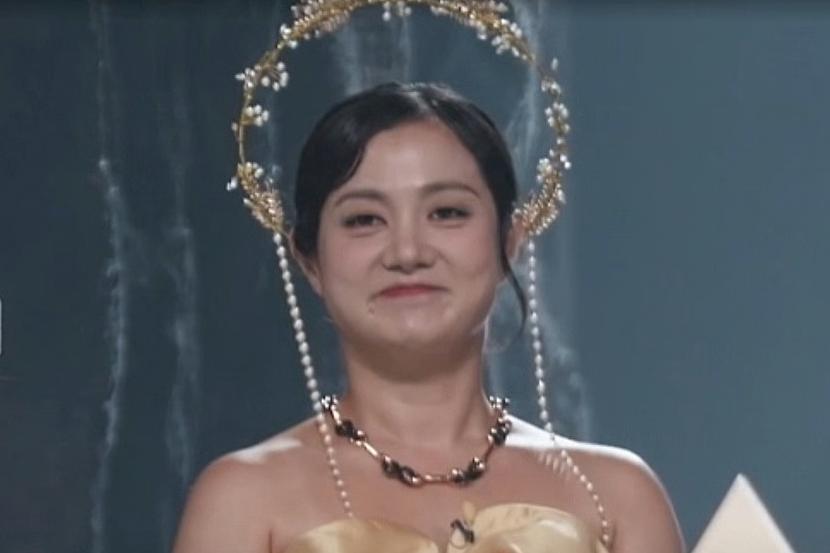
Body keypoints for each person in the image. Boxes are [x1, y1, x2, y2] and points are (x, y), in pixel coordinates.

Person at [172, 82, 685, 553]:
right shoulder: (243, 499)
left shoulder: (616, 496)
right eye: (364, 220)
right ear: (310, 262)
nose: (408, 252)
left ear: (509, 240)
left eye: (447, 212)